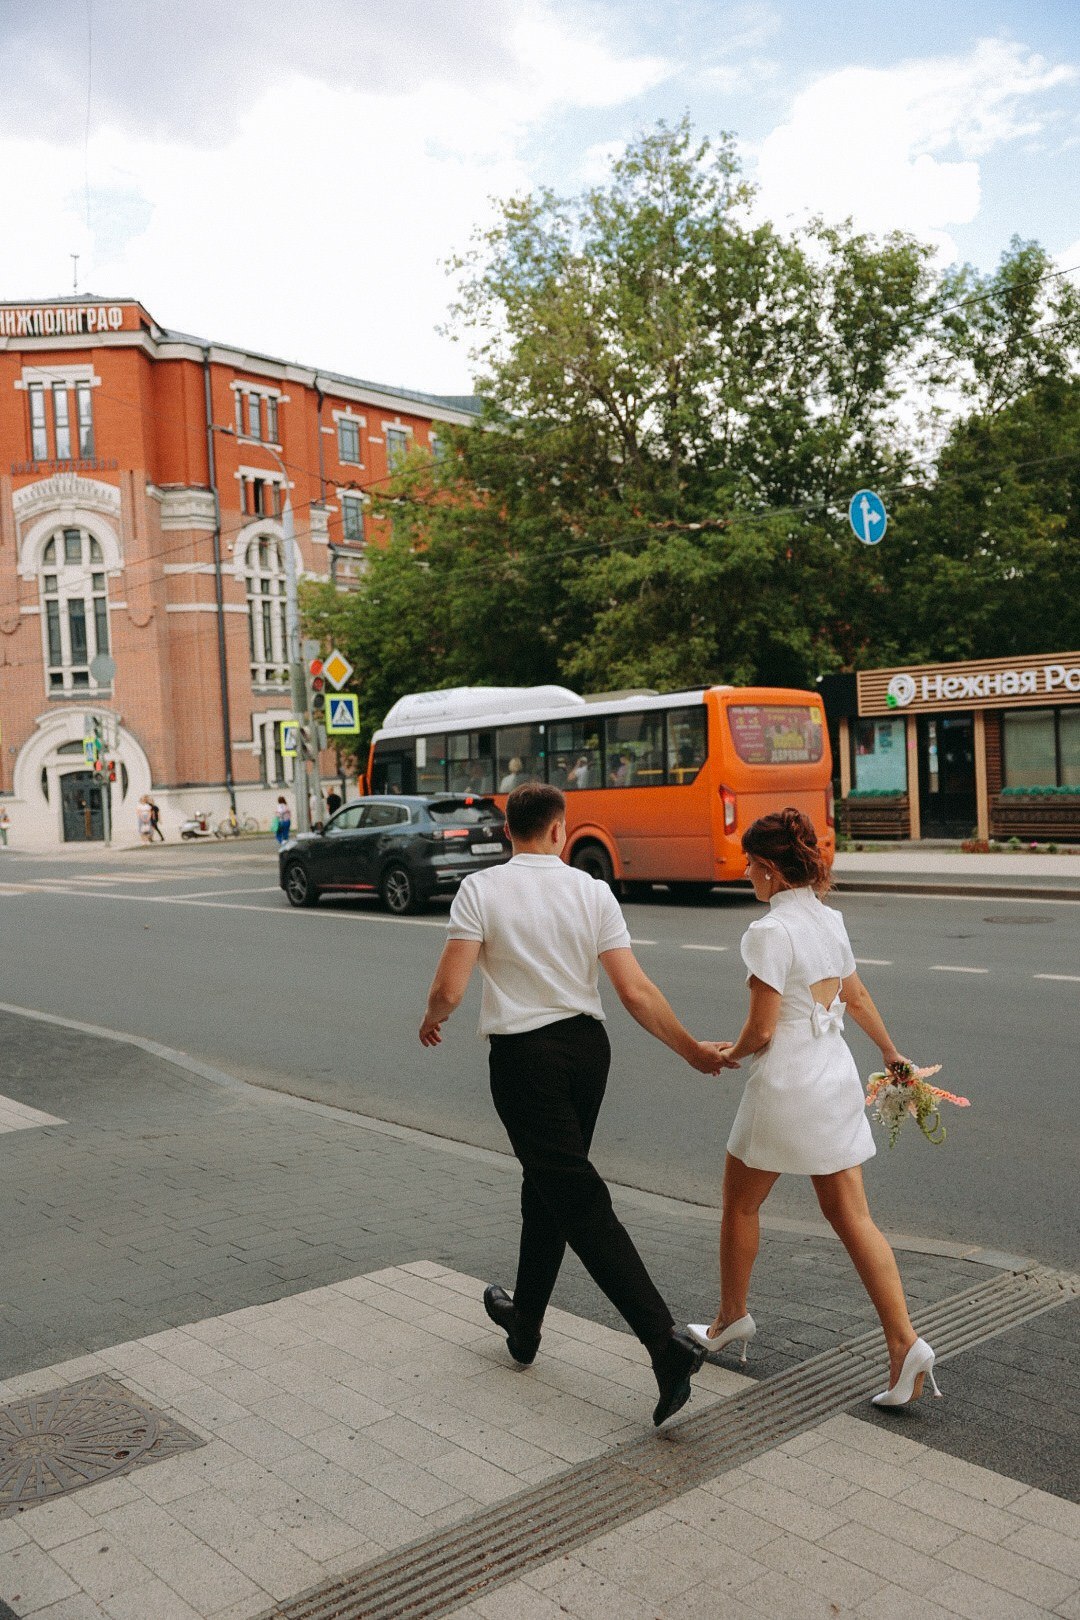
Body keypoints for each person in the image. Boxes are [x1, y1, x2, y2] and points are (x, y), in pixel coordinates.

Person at [419, 782, 727, 1427]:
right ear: (560, 831)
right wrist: (691, 1050)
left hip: (524, 1058)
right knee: (550, 1185)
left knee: (574, 1194)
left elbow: (451, 984)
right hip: (589, 1051)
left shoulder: (482, 889)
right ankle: (524, 1323)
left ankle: (663, 1343)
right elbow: (635, 991)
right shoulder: (592, 891)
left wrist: (433, 1018)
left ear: (510, 831)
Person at [690, 807, 941, 1409]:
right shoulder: (830, 920)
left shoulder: (768, 933)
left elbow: (762, 1030)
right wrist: (891, 1051)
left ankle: (730, 1319)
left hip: (784, 1086)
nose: (748, 876)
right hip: (833, 1079)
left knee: (739, 1204)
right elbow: (854, 994)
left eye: (751, 866)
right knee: (854, 1217)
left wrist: (725, 1054)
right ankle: (904, 1344)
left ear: (772, 870)